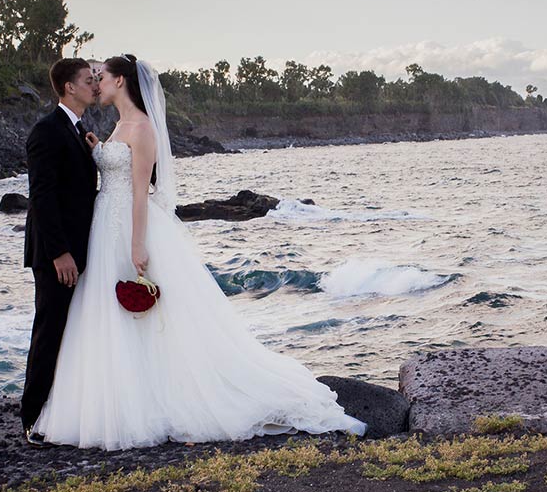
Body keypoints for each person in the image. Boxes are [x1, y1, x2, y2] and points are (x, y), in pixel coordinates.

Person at [30, 54, 366, 450]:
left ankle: (146, 400)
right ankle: (117, 394)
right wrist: (97, 148)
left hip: (125, 228)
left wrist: (138, 244)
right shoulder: (116, 126)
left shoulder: (142, 128)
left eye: (102, 77)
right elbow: (100, 170)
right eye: (92, 78)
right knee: (105, 314)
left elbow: (140, 192)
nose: (97, 83)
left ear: (121, 81)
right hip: (104, 230)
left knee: (138, 313)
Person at [21, 58, 98, 446]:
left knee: (69, 331)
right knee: (49, 331)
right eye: (88, 80)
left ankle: (62, 410)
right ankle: (32, 418)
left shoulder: (80, 129)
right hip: (56, 255)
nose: (94, 85)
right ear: (69, 87)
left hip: (78, 250)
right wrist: (59, 253)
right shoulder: (46, 131)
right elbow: (43, 198)